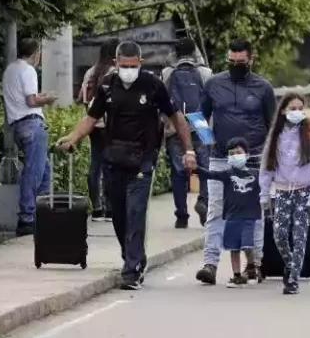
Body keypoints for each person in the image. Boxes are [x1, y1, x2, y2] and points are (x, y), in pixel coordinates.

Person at [57, 41, 197, 290]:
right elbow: (91, 118)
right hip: (114, 159)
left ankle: (132, 270)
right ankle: (133, 257)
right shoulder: (107, 85)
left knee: (135, 212)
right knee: (119, 216)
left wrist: (188, 150)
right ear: (116, 64)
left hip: (143, 160)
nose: (129, 70)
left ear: (140, 63)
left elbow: (176, 116)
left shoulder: (153, 85)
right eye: (124, 66)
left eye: (133, 66)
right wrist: (72, 137)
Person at [195, 39, 276, 285]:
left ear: (250, 60)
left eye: (240, 62)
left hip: (254, 160)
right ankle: (210, 264)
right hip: (221, 158)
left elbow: (273, 125)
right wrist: (207, 140)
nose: (235, 65)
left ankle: (257, 264)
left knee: (255, 214)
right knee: (216, 211)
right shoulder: (213, 84)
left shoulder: (263, 88)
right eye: (231, 62)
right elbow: (199, 117)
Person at [259, 93, 310, 295]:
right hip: (281, 191)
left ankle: (293, 279)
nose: (297, 112)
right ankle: (289, 263)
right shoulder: (276, 135)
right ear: (283, 111)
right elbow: (267, 167)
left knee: (299, 236)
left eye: (300, 108)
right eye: (292, 108)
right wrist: (264, 194)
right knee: (279, 234)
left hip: (303, 192)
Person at [2, 38, 57, 237]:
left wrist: (39, 95)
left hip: (18, 125)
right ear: (35, 53)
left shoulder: (11, 70)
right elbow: (32, 100)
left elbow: (22, 97)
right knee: (34, 172)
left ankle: (40, 214)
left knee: (44, 172)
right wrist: (48, 98)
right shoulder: (29, 70)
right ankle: (27, 218)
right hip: (32, 123)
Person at [196, 137, 261, 288]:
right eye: (231, 154)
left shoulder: (255, 175)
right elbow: (210, 174)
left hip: (248, 217)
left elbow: (268, 183)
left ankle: (251, 265)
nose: (235, 156)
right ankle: (237, 275)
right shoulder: (227, 174)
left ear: (247, 155)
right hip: (232, 217)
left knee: (246, 246)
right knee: (234, 247)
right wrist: (195, 168)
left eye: (238, 152)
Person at [161, 38, 213, 228]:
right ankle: (204, 201)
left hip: (175, 125)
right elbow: (211, 102)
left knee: (178, 171)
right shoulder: (206, 73)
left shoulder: (167, 73)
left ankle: (181, 215)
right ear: (194, 52)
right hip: (201, 124)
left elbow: (162, 101)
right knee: (206, 167)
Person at [78, 38, 119, 221]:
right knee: (111, 167)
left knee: (95, 166)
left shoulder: (90, 72)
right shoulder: (115, 73)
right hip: (111, 126)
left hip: (93, 125)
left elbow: (83, 98)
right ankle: (110, 209)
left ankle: (96, 208)